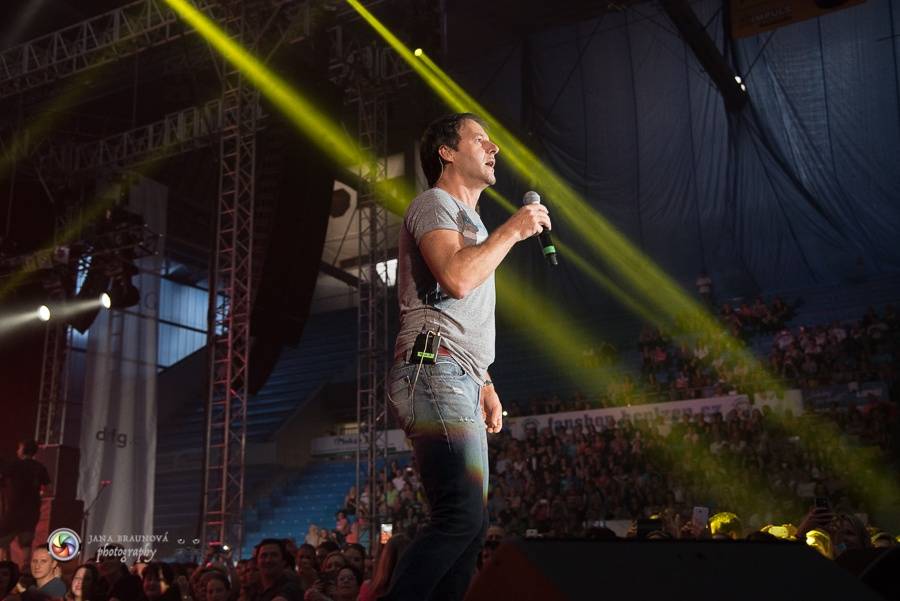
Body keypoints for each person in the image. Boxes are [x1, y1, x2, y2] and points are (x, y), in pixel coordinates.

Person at [382, 113, 552, 600]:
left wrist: (485, 381)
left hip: (458, 374)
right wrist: (514, 231)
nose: (494, 148)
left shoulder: (471, 221)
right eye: (482, 139)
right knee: (459, 518)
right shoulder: (435, 203)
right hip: (433, 370)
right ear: (447, 152)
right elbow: (456, 278)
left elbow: (460, 308)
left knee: (470, 528)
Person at [0, 441, 51, 566]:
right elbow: (49, 489)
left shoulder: (15, 465)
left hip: (15, 509)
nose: (17, 451)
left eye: (19, 448)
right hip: (32, 511)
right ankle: (25, 570)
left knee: (2, 540)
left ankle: (3, 567)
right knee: (26, 544)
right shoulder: (40, 467)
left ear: (23, 450)